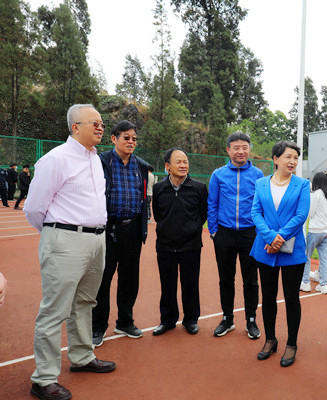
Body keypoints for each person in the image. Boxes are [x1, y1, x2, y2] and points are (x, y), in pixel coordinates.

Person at [24, 104, 116, 400]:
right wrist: (57, 235)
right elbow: (34, 208)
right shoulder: (56, 159)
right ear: (75, 127)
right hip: (65, 240)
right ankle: (43, 378)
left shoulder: (95, 159)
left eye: (101, 123)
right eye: (94, 123)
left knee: (85, 302)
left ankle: (82, 356)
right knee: (55, 310)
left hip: (96, 240)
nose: (101, 127)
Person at [251, 141, 310, 368]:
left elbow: (301, 215)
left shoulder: (302, 184)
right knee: (268, 297)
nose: (292, 161)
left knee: (292, 298)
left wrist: (279, 238)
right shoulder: (261, 183)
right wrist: (269, 237)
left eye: (295, 157)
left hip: (292, 250)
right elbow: (256, 212)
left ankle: (292, 343)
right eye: (288, 156)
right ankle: (270, 339)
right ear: (275, 159)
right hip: (265, 248)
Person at [92, 120, 150, 347]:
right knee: (102, 280)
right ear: (113, 139)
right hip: (108, 229)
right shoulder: (100, 162)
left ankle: (125, 322)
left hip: (132, 229)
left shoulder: (141, 166)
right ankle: (98, 327)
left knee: (129, 279)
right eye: (126, 137)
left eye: (134, 138)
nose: (131, 142)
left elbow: (144, 198)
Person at [208, 132, 264, 339]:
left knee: (251, 280)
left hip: (250, 234)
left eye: (244, 147)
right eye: (236, 147)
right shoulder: (218, 175)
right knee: (226, 279)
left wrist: (258, 230)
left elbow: (262, 204)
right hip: (224, 234)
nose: (241, 151)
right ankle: (227, 318)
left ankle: (251, 320)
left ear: (249, 149)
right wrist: (214, 231)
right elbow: (212, 204)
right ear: (228, 150)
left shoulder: (258, 174)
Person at [152, 148, 208, 336]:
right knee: (167, 284)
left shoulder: (199, 188)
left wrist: (191, 230)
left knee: (190, 284)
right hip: (165, 246)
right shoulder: (159, 188)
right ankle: (167, 320)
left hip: (190, 246)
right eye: (179, 162)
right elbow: (158, 215)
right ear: (167, 166)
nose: (183, 165)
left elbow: (202, 215)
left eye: (185, 162)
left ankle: (191, 320)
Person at [300, 172, 327, 293]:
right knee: (324, 258)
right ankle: (323, 285)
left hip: (315, 230)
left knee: (307, 256)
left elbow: (310, 213)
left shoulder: (316, 194)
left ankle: (305, 283)